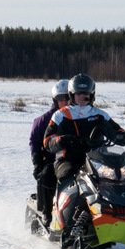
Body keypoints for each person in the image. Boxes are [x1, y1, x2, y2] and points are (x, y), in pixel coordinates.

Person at [43, 73, 125, 229]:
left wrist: (123, 136)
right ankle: (63, 221)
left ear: (91, 95)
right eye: (79, 94)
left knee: (123, 177)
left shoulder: (99, 115)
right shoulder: (61, 115)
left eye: (85, 94)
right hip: (69, 160)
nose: (82, 97)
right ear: (72, 95)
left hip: (97, 160)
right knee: (69, 178)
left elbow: (114, 129)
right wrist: (63, 140)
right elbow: (47, 141)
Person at [29, 79, 70, 222]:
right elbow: (34, 142)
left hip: (77, 159)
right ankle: (47, 213)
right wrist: (37, 163)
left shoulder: (80, 116)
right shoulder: (44, 120)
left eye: (68, 98)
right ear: (55, 100)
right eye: (61, 99)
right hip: (54, 161)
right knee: (47, 174)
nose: (66, 102)